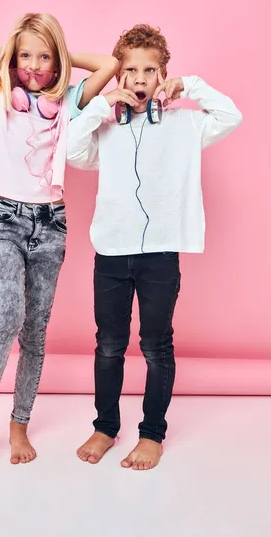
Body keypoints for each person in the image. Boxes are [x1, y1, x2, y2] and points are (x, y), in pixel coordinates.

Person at [0, 12, 119, 477]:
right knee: (8, 312)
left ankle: (19, 424)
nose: (35, 65)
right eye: (27, 55)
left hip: (52, 222)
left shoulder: (67, 102)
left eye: (44, 56)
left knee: (36, 331)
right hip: (7, 217)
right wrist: (6, 56)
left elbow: (107, 65)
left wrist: (61, 62)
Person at [67, 23, 243, 471]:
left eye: (150, 69)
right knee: (108, 344)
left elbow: (230, 115)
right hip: (111, 252)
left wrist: (190, 86)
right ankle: (105, 426)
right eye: (130, 70)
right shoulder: (106, 129)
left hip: (161, 254)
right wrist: (99, 104)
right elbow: (70, 151)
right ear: (119, 76)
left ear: (164, 73)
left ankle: (151, 435)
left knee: (155, 345)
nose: (140, 78)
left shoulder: (186, 125)